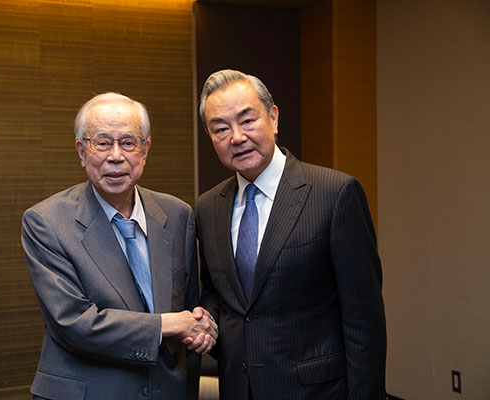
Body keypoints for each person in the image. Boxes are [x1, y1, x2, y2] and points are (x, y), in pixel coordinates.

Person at [193, 69, 386, 399]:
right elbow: (216, 290)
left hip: (316, 391)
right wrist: (207, 319)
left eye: (247, 121)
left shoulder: (334, 194)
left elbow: (364, 319)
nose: (236, 137)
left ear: (273, 118)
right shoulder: (208, 207)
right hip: (238, 387)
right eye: (221, 129)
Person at [22, 92, 217, 400]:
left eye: (128, 143)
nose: (116, 156)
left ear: (145, 150)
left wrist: (200, 328)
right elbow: (73, 323)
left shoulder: (178, 215)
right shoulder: (47, 222)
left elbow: (190, 311)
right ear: (81, 151)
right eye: (102, 143)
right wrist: (168, 324)